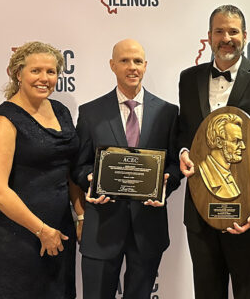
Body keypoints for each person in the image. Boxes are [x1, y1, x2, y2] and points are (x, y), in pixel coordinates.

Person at [178, 4, 250, 298]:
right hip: (200, 213)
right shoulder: (188, 78)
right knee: (206, 291)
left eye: (233, 31)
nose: (226, 37)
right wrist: (183, 151)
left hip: (249, 217)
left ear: (245, 36)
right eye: (219, 31)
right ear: (209, 36)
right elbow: (185, 131)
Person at [71, 39, 180, 299]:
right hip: (102, 228)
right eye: (124, 61)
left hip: (148, 228)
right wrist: (90, 179)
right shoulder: (90, 112)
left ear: (145, 66)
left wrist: (166, 184)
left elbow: (175, 164)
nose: (132, 67)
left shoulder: (167, 112)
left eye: (138, 61)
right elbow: (78, 164)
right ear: (112, 65)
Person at [0, 42, 82, 299]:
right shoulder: (5, 119)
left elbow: (68, 167)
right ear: (18, 74)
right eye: (36, 70)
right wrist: (41, 230)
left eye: (51, 72)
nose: (45, 78)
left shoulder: (60, 110)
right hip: (19, 234)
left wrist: (80, 215)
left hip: (59, 228)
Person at [198, 113, 245, 200]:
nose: (243, 146)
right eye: (236, 141)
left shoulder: (228, 174)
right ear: (219, 142)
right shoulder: (205, 172)